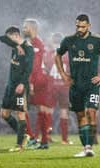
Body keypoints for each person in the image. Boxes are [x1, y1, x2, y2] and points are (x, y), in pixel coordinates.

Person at [55, 14, 100, 157]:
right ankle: (86, 147)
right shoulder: (69, 40)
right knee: (80, 116)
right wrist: (62, 74)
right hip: (75, 85)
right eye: (77, 26)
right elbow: (57, 55)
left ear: (89, 26)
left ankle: (90, 145)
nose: (79, 29)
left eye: (82, 26)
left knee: (91, 113)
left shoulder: (96, 40)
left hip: (92, 85)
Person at [0, 26, 34, 152]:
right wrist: (16, 46)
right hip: (10, 86)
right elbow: (1, 38)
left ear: (16, 36)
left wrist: (22, 84)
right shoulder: (15, 47)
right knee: (4, 114)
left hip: (20, 86)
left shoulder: (29, 48)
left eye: (11, 39)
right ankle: (24, 135)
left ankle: (20, 145)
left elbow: (29, 68)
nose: (9, 42)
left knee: (20, 114)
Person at [22, 18, 54, 149]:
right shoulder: (37, 43)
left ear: (32, 29)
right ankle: (44, 141)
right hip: (42, 79)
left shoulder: (35, 44)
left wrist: (30, 82)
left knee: (22, 107)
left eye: (25, 27)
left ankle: (32, 138)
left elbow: (34, 65)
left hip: (37, 79)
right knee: (42, 110)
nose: (23, 29)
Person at [44, 32, 72, 145]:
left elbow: (45, 69)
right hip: (64, 87)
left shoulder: (49, 54)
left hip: (52, 87)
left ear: (53, 41)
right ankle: (64, 139)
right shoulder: (67, 55)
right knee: (64, 112)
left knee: (48, 112)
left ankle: (46, 136)